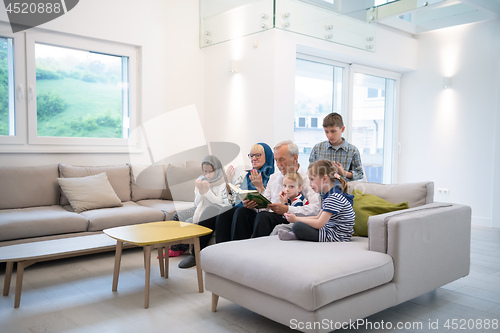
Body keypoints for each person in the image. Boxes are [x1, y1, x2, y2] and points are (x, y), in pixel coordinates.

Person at [233, 140, 321, 239]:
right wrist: (253, 205)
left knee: (263, 217)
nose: (278, 164)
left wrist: (287, 209)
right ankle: (236, 249)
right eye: (276, 160)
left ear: (295, 158)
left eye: (282, 159)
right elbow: (265, 206)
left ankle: (258, 251)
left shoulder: (307, 179)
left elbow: (316, 209)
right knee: (241, 212)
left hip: (290, 218)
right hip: (269, 215)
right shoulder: (274, 177)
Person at [279, 159, 355, 242]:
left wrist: (296, 219)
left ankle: (295, 235)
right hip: (330, 230)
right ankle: (295, 235)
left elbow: (319, 223)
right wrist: (296, 218)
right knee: (298, 224)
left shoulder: (334, 197)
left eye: (312, 179)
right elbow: (318, 217)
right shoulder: (329, 195)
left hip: (336, 236)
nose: (309, 184)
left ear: (325, 178)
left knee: (297, 226)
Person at [214, 142, 275, 243]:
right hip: (243, 208)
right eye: (251, 155)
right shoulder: (247, 175)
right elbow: (234, 201)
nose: (253, 158)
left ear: (267, 156)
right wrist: (228, 187)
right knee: (224, 212)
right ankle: (221, 251)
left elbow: (273, 205)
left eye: (258, 155)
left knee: (241, 212)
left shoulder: (274, 178)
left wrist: (260, 187)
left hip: (258, 214)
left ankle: (237, 252)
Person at [177, 155, 231, 268]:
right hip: (199, 212)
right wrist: (201, 191)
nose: (207, 175)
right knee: (178, 218)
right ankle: (177, 249)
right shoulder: (200, 181)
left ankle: (193, 253)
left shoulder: (222, 183)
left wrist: (207, 192)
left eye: (210, 171)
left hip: (213, 212)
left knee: (202, 215)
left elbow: (221, 203)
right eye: (205, 171)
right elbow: (196, 203)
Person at [309, 112, 364, 181]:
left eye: (333, 131)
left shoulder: (352, 150)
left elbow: (360, 174)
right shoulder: (317, 149)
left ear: (342, 129)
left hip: (343, 190)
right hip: (322, 190)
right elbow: (310, 172)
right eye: (326, 132)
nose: (330, 135)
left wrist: (344, 173)